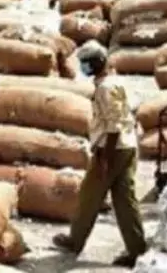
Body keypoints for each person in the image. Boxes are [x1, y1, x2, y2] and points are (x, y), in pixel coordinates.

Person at [53, 41, 145, 267]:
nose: (84, 68)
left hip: (112, 149)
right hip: (128, 145)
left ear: (96, 63)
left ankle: (75, 240)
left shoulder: (105, 88)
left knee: (89, 196)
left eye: (86, 64)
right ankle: (137, 249)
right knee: (125, 199)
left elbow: (113, 125)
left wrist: (105, 158)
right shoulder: (115, 81)